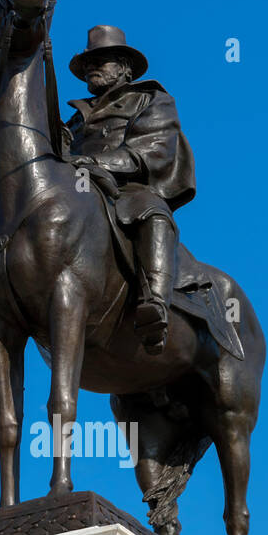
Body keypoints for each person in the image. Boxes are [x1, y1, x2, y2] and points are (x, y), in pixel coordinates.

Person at [65, 26, 195, 354]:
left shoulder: (151, 99)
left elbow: (153, 150)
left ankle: (155, 305)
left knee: (153, 213)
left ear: (124, 67)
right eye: (88, 64)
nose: (92, 68)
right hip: (77, 188)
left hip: (127, 188)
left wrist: (91, 160)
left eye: (102, 61)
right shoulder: (73, 120)